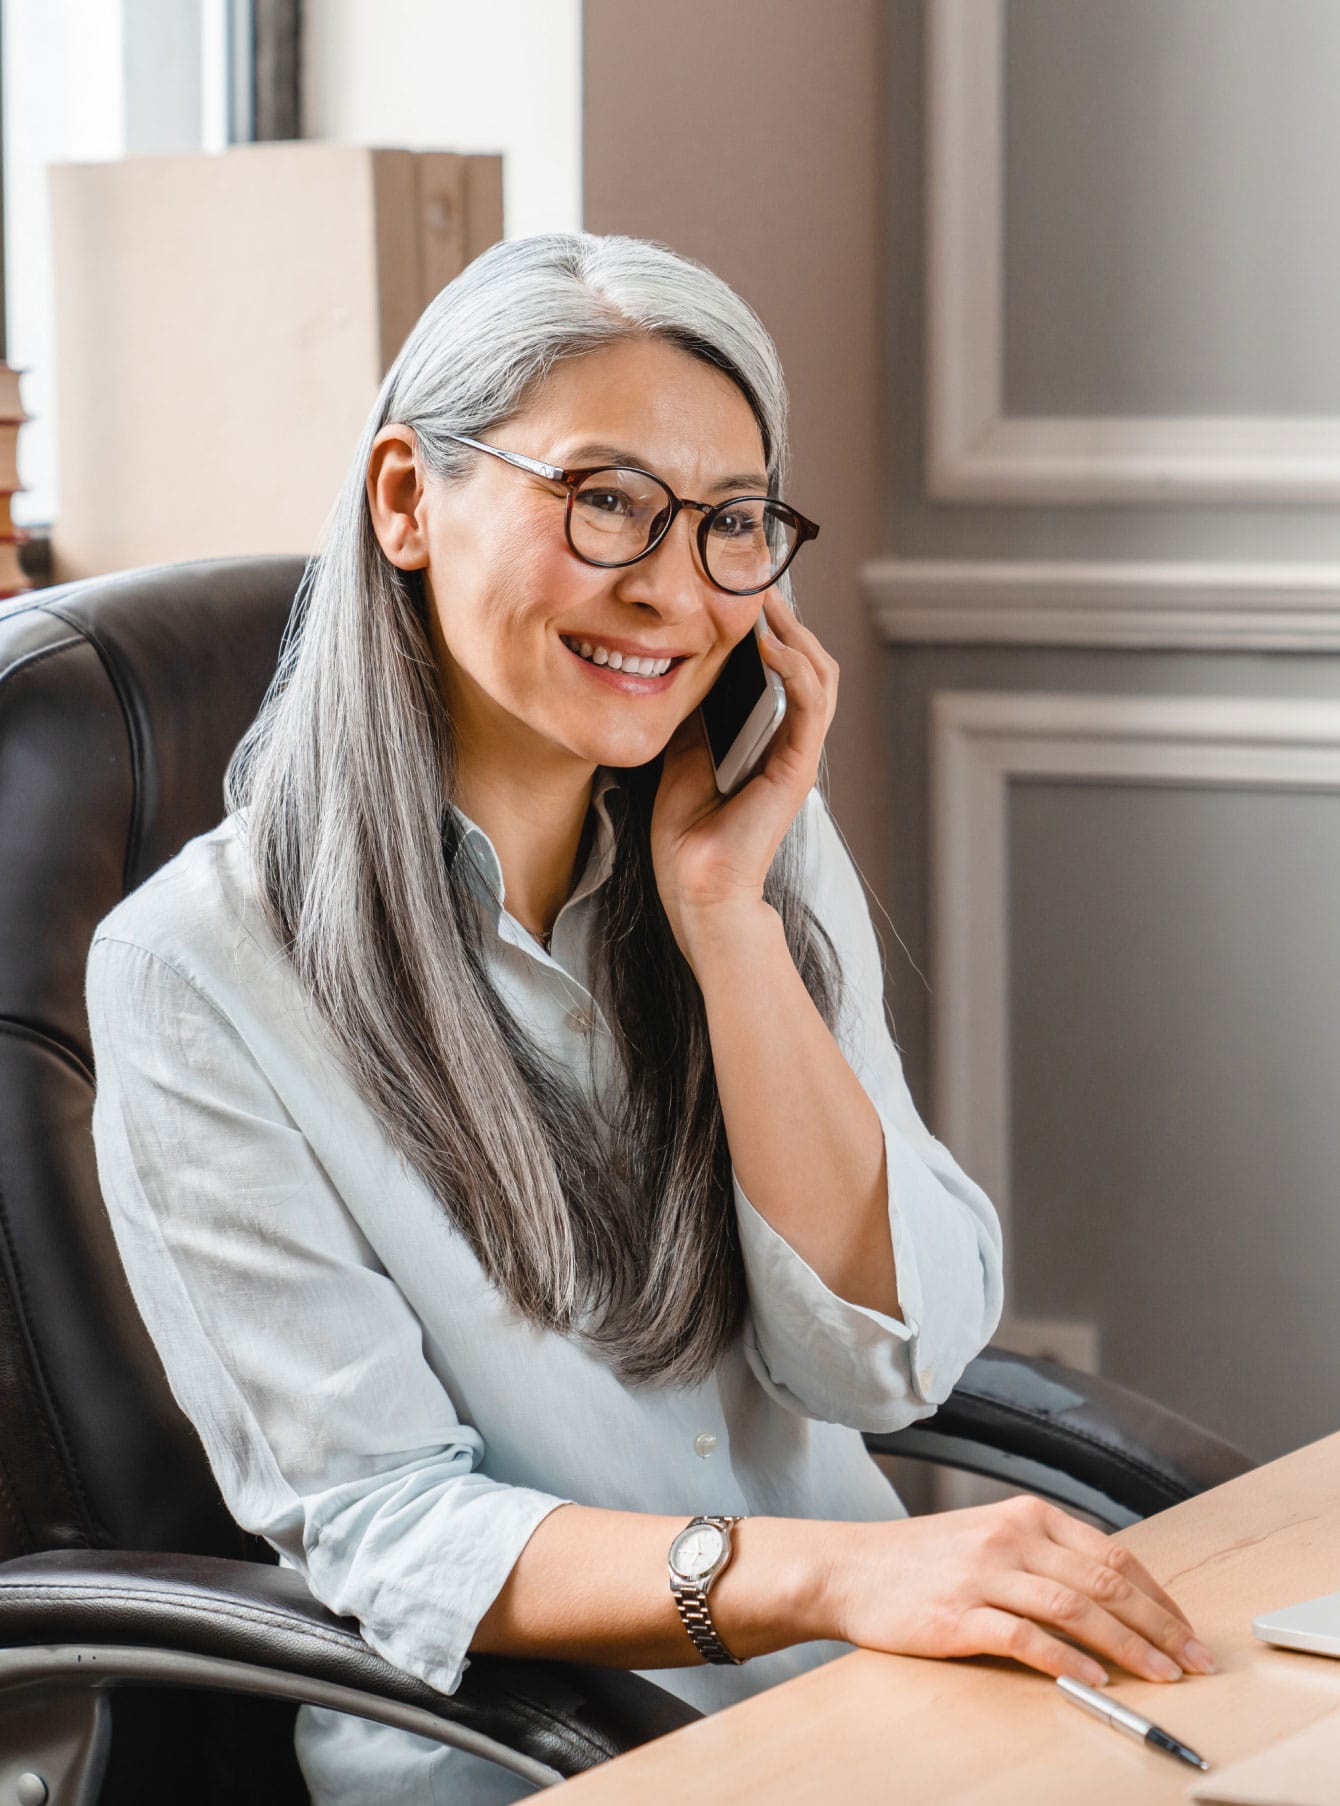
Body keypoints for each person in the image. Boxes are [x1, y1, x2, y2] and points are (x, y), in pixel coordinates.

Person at [86, 233, 1212, 1805]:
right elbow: (392, 1522)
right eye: (606, 499)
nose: (676, 592)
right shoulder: (196, 969)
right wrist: (824, 1575)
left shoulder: (748, 839)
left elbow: (886, 1362)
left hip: (883, 1716)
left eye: (732, 522)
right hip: (533, 1764)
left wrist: (727, 923)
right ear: (407, 499)